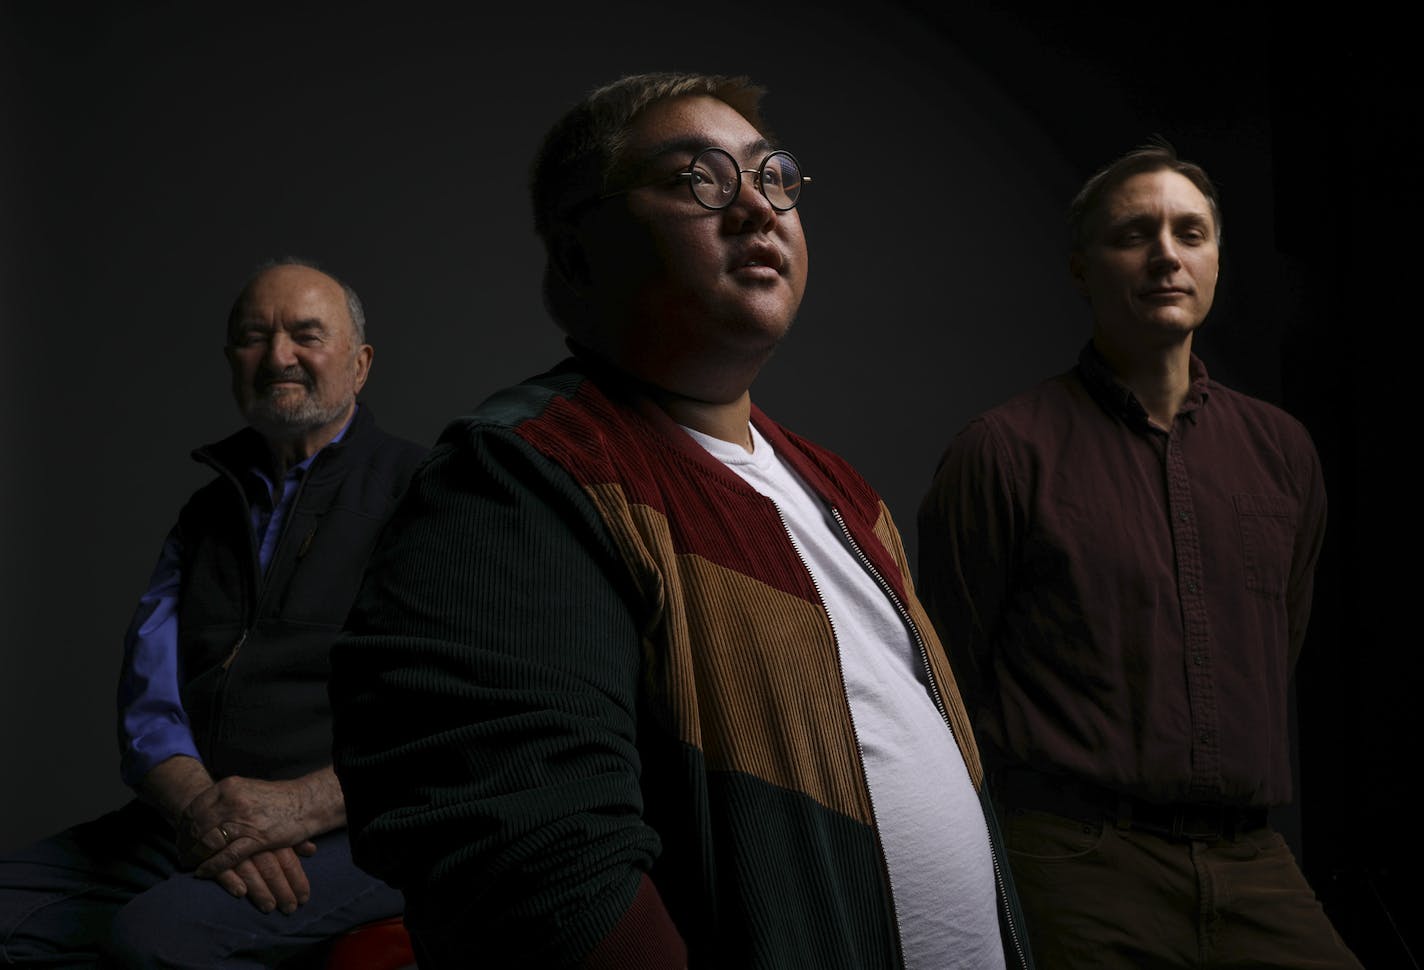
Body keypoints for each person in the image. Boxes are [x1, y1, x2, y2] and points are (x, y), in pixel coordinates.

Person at [328, 72, 1032, 969]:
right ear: (580, 256)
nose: (755, 209)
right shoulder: (521, 474)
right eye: (700, 178)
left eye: (773, 176)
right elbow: (525, 861)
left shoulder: (845, 495)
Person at [916, 141, 1362, 968]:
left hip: (1251, 861)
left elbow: (1278, 641)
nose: (1166, 254)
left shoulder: (1283, 451)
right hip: (1079, 864)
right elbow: (948, 680)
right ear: (1083, 268)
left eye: (1190, 233)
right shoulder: (1002, 452)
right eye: (1134, 234)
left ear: (1218, 260)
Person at [0, 260, 426, 967]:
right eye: (254, 337)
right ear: (233, 360)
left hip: (366, 824)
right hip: (199, 817)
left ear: (361, 363)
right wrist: (204, 812)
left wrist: (296, 808)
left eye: (306, 335)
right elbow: (149, 696)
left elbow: (444, 713)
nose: (279, 356)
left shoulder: (424, 493)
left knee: (160, 937)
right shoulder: (207, 512)